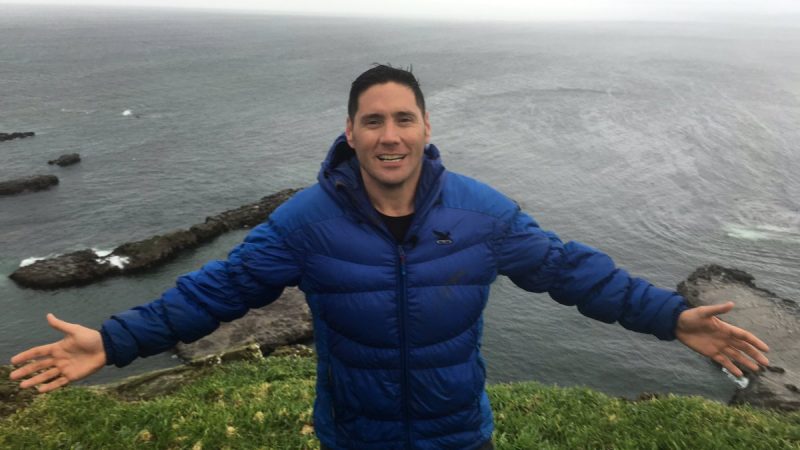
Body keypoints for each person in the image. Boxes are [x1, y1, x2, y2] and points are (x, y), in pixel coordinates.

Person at [10, 65, 769, 450]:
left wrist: (672, 317)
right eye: (372, 121)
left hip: (457, 433)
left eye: (403, 118)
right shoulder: (304, 222)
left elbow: (572, 271)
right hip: (354, 436)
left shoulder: (482, 214)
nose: (389, 135)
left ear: (426, 127)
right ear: (351, 133)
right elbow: (219, 289)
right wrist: (113, 342)